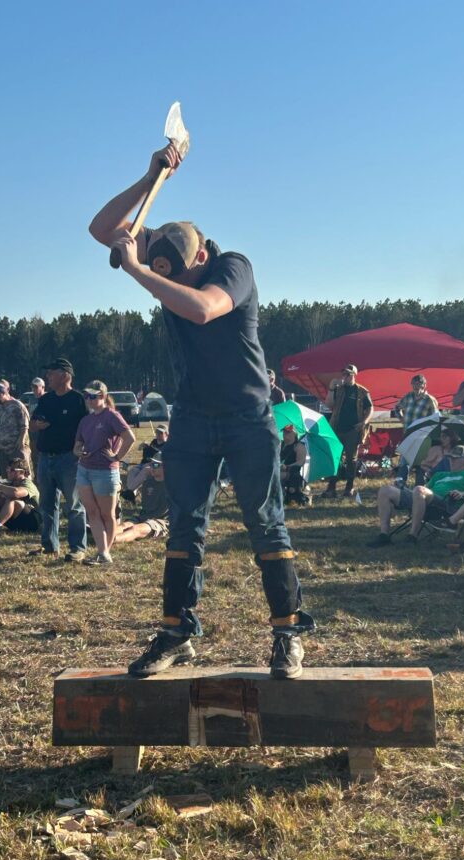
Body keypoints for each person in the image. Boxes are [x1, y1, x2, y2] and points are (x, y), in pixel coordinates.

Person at [89, 143, 314, 678]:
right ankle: (177, 633)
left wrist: (138, 271)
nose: (174, 289)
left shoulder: (233, 267)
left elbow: (202, 308)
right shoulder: (167, 250)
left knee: (265, 524)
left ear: (203, 257)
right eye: (170, 278)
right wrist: (149, 177)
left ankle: (288, 632)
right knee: (184, 526)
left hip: (248, 416)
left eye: (181, 277)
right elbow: (102, 229)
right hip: (191, 418)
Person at [28, 357, 89, 562]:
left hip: (69, 459)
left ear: (65, 375)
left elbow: (87, 426)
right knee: (46, 505)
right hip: (46, 458)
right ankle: (49, 545)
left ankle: (77, 548)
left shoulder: (78, 400)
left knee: (73, 505)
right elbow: (33, 423)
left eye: (52, 373)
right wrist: (37, 425)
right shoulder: (46, 399)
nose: (48, 377)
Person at [369, 445, 464, 545]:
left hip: (446, 504)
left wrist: (462, 493)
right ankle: (384, 534)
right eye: (450, 458)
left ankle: (412, 536)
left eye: (455, 459)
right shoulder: (440, 474)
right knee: (385, 490)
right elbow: (425, 489)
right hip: (422, 497)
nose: (451, 461)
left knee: (419, 490)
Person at [74, 380, 135, 564]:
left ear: (103, 397)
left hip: (105, 471)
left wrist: (117, 457)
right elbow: (77, 445)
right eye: (87, 396)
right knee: (91, 512)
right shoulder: (86, 420)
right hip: (84, 468)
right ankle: (102, 552)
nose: (89, 400)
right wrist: (79, 452)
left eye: (93, 396)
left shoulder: (111, 416)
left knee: (107, 514)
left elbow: (129, 437)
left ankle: (105, 553)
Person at [323, 364, 373, 498]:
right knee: (335, 458)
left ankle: (349, 486)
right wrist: (331, 389)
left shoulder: (362, 391)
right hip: (337, 427)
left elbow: (369, 408)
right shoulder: (338, 390)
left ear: (353, 375)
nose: (345, 377)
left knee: (351, 459)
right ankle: (331, 486)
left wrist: (364, 422)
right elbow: (329, 405)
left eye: (348, 374)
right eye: (344, 374)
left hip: (353, 429)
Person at [0, 459, 41, 534]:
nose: (8, 472)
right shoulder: (9, 483)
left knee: (12, 500)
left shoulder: (28, 484)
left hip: (32, 521)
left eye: (12, 470)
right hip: (15, 521)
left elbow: (16, 493)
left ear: (22, 472)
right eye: (7, 469)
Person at [115, 457, 169, 544]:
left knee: (135, 529)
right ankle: (103, 536)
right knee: (124, 526)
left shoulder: (172, 486)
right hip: (143, 516)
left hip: (160, 521)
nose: (151, 467)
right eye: (150, 464)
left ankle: (109, 541)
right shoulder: (148, 483)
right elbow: (146, 505)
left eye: (155, 465)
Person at [0, 381, 30, 476]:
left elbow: (25, 425)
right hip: (1, 450)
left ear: (4, 393)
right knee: (6, 475)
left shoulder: (17, 405)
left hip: (16, 448)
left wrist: (21, 441)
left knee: (22, 473)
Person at [279, 424, 310, 505]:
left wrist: (287, 467)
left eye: (288, 432)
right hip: (277, 469)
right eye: (284, 432)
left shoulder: (299, 446)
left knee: (275, 476)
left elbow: (301, 462)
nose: (285, 434)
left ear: (295, 434)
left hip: (290, 472)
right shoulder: (280, 445)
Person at [28, 377, 47, 476]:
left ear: (43, 387)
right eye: (32, 387)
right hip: (33, 435)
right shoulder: (32, 400)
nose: (34, 389)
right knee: (34, 461)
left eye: (36, 387)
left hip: (44, 435)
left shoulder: (48, 399)